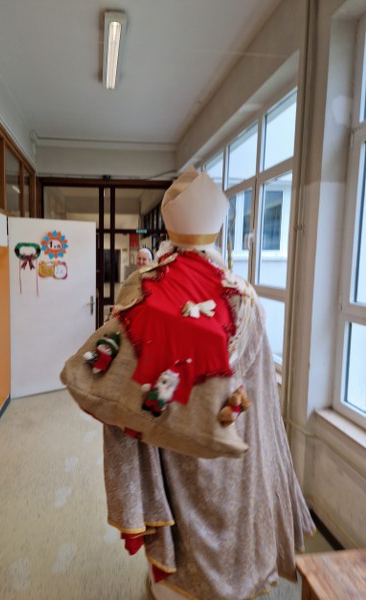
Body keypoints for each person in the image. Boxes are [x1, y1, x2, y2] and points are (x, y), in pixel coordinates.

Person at [100, 169, 315, 600]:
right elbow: (256, 386)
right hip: (226, 436)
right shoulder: (242, 295)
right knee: (229, 510)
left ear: (169, 220)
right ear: (218, 221)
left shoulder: (140, 287)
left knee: (178, 524)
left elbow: (119, 385)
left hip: (166, 435)